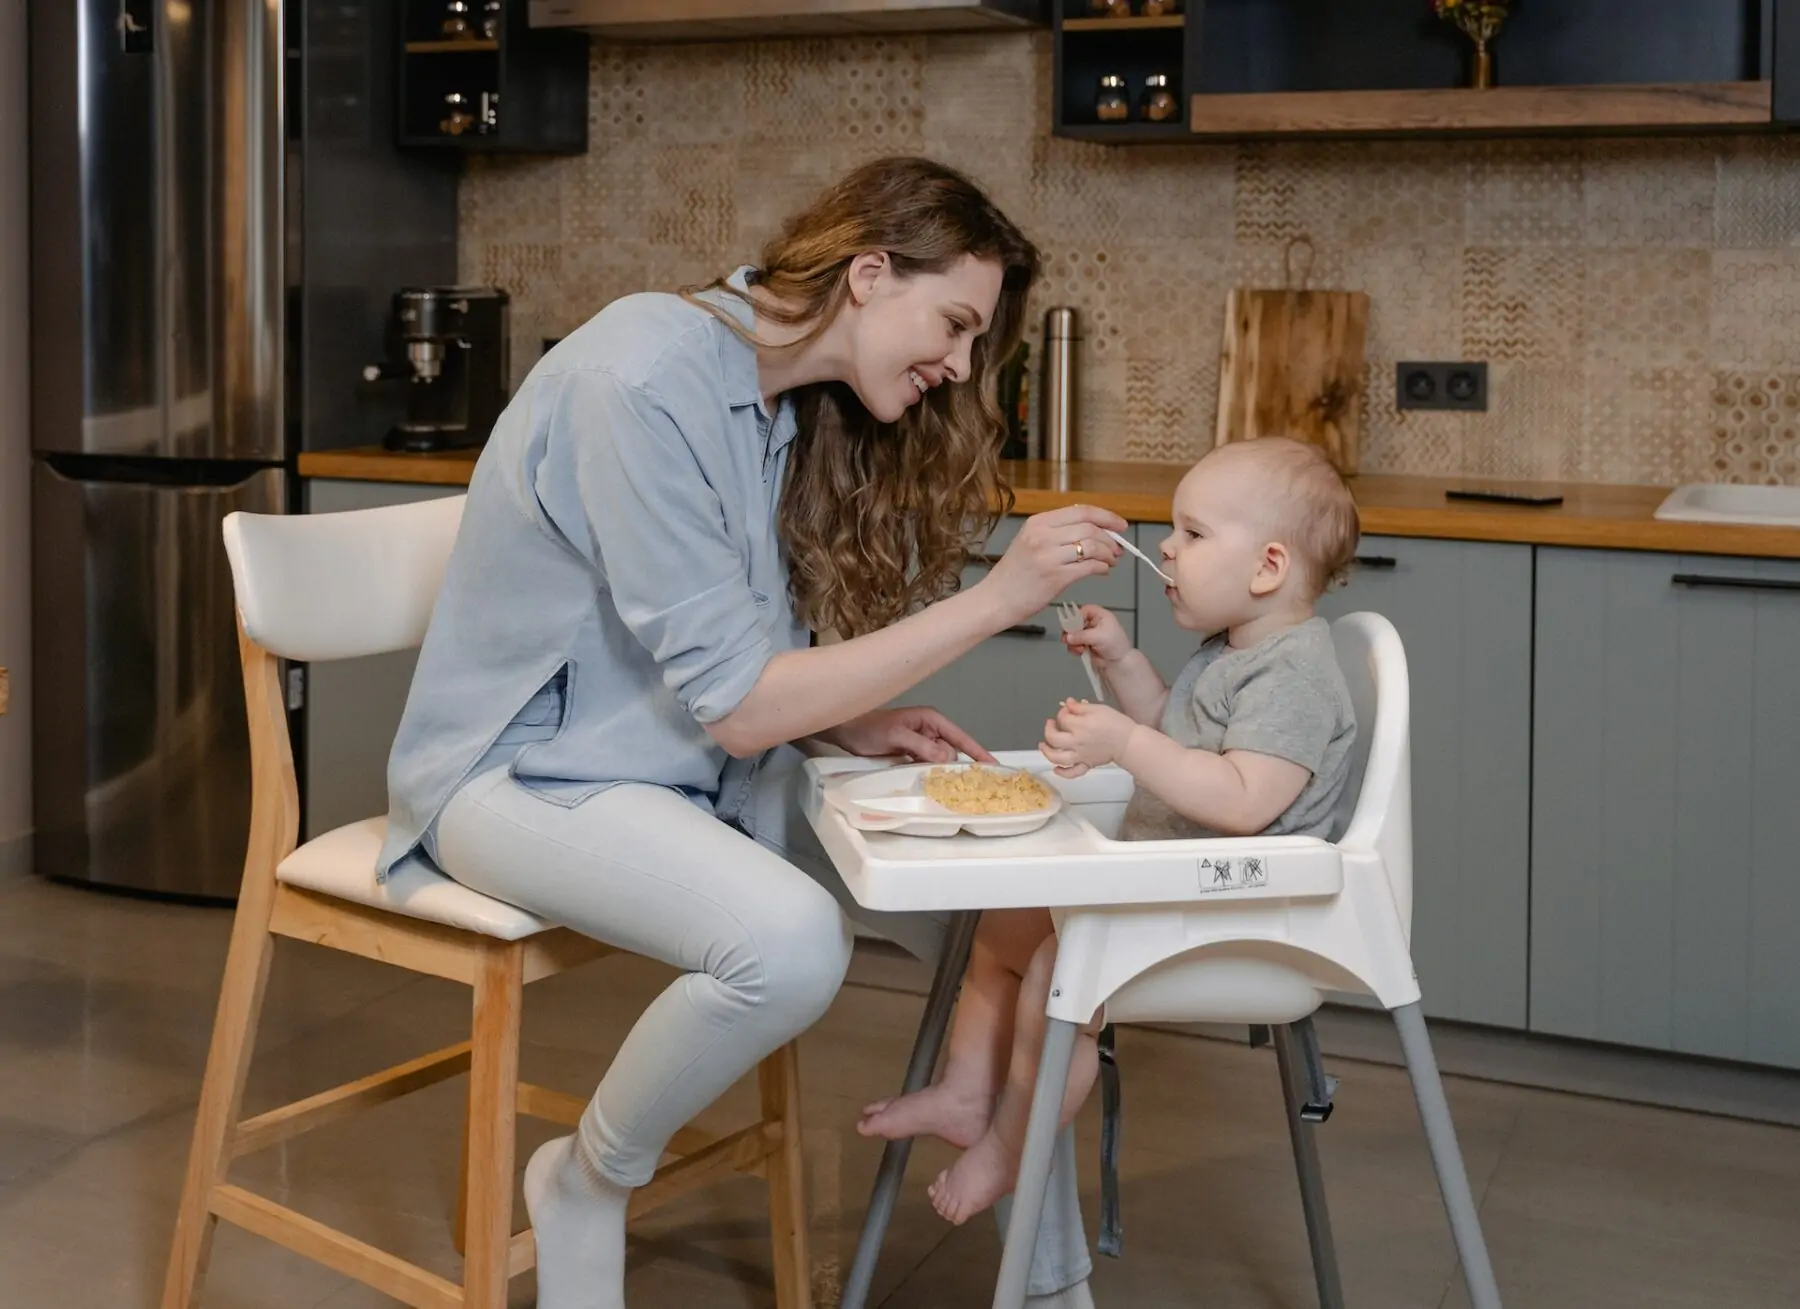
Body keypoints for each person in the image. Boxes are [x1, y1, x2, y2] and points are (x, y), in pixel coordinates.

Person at [377, 155, 1127, 1309]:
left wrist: (851, 720)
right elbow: (737, 701)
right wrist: (995, 598)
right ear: (870, 274)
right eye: (958, 324)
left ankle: (1048, 1288)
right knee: (785, 943)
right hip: (517, 777)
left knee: (1018, 926)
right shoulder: (639, 379)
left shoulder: (768, 399)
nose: (961, 366)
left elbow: (728, 669)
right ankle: (587, 1177)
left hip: (676, 765)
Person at [859, 437, 1360, 1226]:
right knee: (1007, 926)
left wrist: (1125, 744)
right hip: (1177, 887)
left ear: (1267, 567)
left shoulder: (1292, 675)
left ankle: (1007, 1146)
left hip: (1243, 913)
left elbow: (1240, 800)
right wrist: (1123, 660)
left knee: (1062, 966)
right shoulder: (1236, 649)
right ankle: (964, 1093)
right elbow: (1178, 732)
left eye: (1193, 535)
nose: (1165, 546)